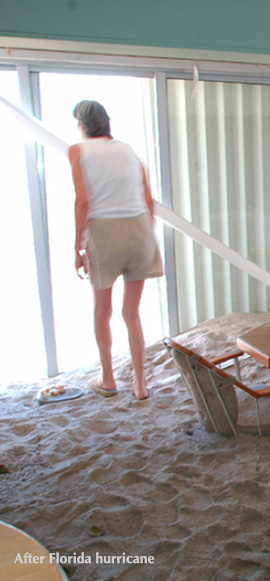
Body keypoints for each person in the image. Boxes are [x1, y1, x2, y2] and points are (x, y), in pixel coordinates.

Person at [68, 100, 163, 400]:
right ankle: (140, 384)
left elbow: (83, 202)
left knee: (102, 311)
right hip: (139, 230)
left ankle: (108, 379)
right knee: (132, 312)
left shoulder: (78, 150)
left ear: (82, 125)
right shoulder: (130, 151)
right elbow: (149, 201)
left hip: (105, 231)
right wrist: (146, 234)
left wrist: (77, 246)